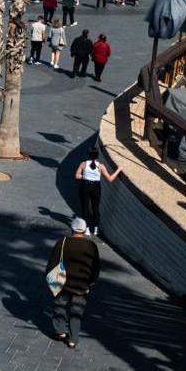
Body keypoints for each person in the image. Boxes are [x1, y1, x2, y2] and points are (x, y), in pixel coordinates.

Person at [48, 217, 100, 348]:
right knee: (76, 311)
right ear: (84, 231)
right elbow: (96, 268)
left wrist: (51, 281)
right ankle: (73, 339)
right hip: (81, 285)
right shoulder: (92, 246)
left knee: (59, 306)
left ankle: (60, 331)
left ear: (72, 229)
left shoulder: (63, 242)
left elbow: (52, 263)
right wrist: (91, 283)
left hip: (62, 283)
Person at [74, 147, 121, 235]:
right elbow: (110, 179)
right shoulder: (101, 166)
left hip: (85, 186)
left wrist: (84, 176)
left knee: (85, 208)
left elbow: (77, 176)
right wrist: (118, 170)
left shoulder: (83, 164)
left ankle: (86, 229)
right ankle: (96, 228)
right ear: (97, 156)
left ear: (89, 155)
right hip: (96, 187)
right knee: (95, 208)